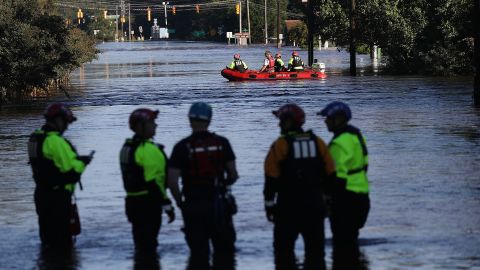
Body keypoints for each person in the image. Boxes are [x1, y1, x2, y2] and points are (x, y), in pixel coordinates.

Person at [264, 103, 335, 270]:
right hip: (315, 207)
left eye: (281, 120)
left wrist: (269, 205)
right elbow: (331, 174)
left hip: (288, 208)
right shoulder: (318, 143)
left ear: (289, 122)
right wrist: (328, 201)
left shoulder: (280, 145)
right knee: (316, 254)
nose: (279, 124)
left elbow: (271, 179)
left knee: (283, 253)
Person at [168, 102, 239, 269]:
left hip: (193, 204)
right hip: (219, 203)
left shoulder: (181, 147)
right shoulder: (222, 143)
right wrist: (223, 185)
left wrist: (180, 202)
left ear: (189, 120)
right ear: (210, 120)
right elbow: (234, 175)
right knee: (224, 253)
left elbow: (172, 182)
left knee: (198, 254)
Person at [28, 103, 93, 250]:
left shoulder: (35, 137)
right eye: (66, 122)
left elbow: (48, 163)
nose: (67, 127)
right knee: (63, 244)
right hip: (57, 198)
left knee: (47, 241)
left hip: (41, 194)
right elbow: (72, 172)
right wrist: (84, 162)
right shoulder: (56, 141)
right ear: (58, 120)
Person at [317, 101, 370, 270]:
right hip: (362, 195)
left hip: (345, 199)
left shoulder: (339, 143)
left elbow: (336, 178)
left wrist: (327, 200)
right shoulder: (357, 135)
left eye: (328, 118)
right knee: (351, 242)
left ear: (338, 119)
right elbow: (365, 165)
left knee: (342, 246)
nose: (325, 121)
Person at [119, 108, 175, 254]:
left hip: (132, 202)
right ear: (140, 126)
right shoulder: (147, 149)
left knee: (140, 243)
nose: (155, 125)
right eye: (152, 122)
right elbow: (153, 182)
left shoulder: (127, 147)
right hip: (148, 204)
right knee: (149, 245)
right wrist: (166, 203)